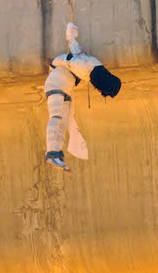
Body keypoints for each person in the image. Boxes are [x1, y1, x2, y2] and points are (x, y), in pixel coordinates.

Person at [44, 22, 121, 171]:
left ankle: (57, 155)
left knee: (64, 122)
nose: (98, 91)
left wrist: (71, 34)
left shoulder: (94, 66)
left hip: (65, 87)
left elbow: (76, 51)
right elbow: (66, 59)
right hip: (56, 84)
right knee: (56, 117)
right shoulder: (85, 68)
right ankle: (52, 154)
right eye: (101, 90)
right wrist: (53, 63)